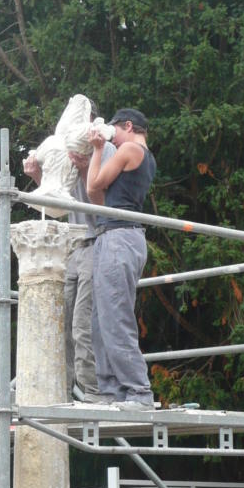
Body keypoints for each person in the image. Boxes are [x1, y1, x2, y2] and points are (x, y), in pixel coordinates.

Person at [23, 105, 115, 403]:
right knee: (59, 322)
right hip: (69, 247)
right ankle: (57, 392)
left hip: (93, 242)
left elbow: (98, 196)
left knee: (82, 325)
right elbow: (58, 202)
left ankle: (93, 392)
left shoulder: (103, 149)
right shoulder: (63, 150)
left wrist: (88, 164)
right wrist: (39, 176)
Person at [86, 108, 157, 407]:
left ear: (128, 126)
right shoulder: (137, 154)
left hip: (120, 238)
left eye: (115, 129)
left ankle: (139, 392)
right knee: (100, 320)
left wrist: (100, 149)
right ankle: (111, 391)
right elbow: (96, 195)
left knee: (115, 317)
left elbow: (94, 185)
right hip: (113, 235)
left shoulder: (130, 147)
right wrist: (99, 153)